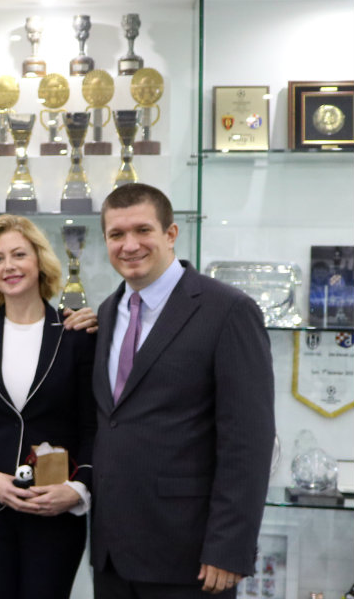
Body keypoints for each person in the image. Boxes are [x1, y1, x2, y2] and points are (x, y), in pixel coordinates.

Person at [90, 183, 274, 598]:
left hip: (191, 556)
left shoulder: (228, 310)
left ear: (171, 234)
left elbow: (248, 442)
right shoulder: (109, 311)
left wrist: (230, 547)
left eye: (143, 230)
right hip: (113, 554)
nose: (129, 245)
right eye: (116, 234)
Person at [0, 215, 96, 598]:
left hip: (54, 514)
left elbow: (94, 427)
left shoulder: (76, 336)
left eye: (19, 254)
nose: (8, 266)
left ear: (40, 261)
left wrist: (78, 488)